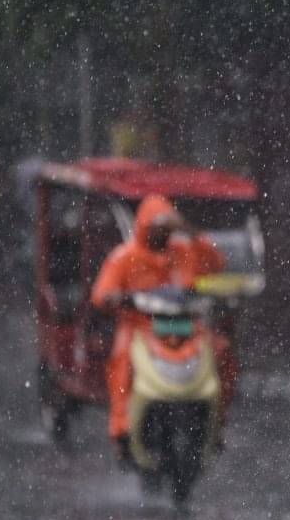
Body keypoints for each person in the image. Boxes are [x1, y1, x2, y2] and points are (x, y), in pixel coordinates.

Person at [90, 195, 234, 461]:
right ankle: (122, 427)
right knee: (122, 359)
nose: (164, 234)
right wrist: (116, 298)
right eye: (158, 228)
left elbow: (216, 263)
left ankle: (217, 421)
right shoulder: (125, 257)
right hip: (141, 326)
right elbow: (101, 293)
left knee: (221, 350)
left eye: (168, 228)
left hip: (185, 325)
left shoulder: (185, 252)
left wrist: (191, 232)